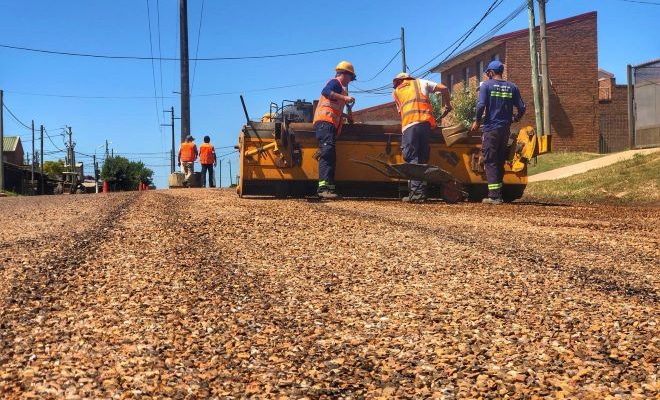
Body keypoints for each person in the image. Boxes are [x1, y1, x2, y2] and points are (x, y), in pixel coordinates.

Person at [470, 60, 526, 205]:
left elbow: (481, 104)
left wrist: (477, 121)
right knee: (500, 160)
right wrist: (515, 118)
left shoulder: (486, 86)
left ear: (491, 72)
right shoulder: (512, 87)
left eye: (488, 73)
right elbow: (522, 107)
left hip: (491, 129)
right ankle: (498, 194)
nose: (487, 75)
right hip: (505, 130)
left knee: (490, 160)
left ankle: (494, 196)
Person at [392, 72, 453, 203]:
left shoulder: (396, 92)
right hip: (425, 125)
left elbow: (401, 112)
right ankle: (420, 192)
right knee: (422, 157)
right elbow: (444, 88)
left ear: (398, 81)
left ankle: (417, 195)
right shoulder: (421, 82)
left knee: (412, 158)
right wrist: (447, 104)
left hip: (409, 126)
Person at [312, 61, 356, 199]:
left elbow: (334, 108)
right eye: (350, 77)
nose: (350, 81)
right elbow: (325, 92)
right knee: (327, 154)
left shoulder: (340, 88)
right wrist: (345, 98)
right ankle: (323, 189)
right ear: (345, 74)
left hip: (329, 125)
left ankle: (329, 188)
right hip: (325, 123)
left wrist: (346, 116)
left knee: (330, 156)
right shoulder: (335, 82)